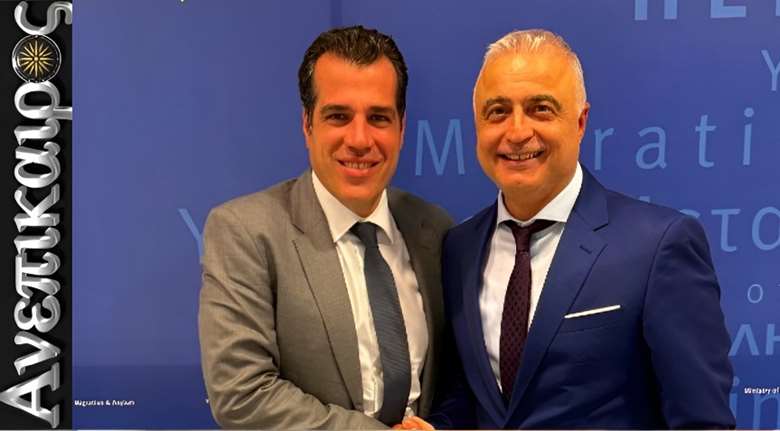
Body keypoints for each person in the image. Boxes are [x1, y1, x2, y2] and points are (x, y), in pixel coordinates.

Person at [425, 29, 735, 429]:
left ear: (580, 121)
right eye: (497, 111)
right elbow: (471, 397)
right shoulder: (459, 248)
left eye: (540, 109)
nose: (516, 132)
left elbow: (702, 420)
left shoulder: (658, 246)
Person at [198, 26, 452, 429]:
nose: (359, 139)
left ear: (402, 129)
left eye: (378, 117)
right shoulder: (245, 232)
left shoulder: (434, 230)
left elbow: (455, 380)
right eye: (338, 116)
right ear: (307, 125)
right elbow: (241, 394)